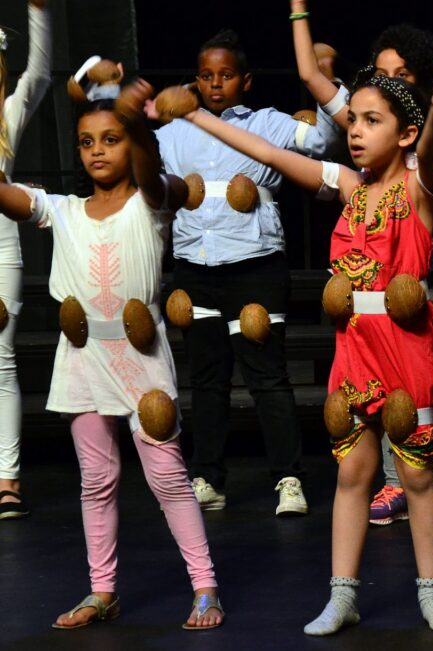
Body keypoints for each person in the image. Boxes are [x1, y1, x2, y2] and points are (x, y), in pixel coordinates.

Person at [176, 61, 433, 635]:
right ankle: (342, 596)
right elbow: (268, 152)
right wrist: (196, 116)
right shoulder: (351, 188)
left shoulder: (419, 188)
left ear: (405, 133)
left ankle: (432, 594)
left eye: (372, 121)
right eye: (352, 119)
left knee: (417, 478)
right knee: (353, 473)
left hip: (407, 350)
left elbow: (432, 149)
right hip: (355, 350)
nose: (355, 130)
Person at [0, 81, 223, 630]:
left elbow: (154, 178)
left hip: (140, 355)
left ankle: (205, 586)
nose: (97, 150)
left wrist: (136, 123)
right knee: (96, 481)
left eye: (111, 138)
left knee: (167, 477)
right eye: (86, 142)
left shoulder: (150, 202)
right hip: (81, 358)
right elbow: (9, 197)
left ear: (133, 141)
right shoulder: (64, 210)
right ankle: (103, 590)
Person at [288, 1, 433, 525]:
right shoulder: (367, 122)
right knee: (380, 380)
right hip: (372, 272)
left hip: (419, 269)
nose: (389, 80)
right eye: (381, 71)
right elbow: (310, 76)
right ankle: (395, 481)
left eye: (401, 73)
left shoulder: (425, 130)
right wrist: (299, 9)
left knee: (427, 378)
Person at [155, 28, 343, 515]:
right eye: (206, 75)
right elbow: (139, 159)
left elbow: (323, 140)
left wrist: (324, 80)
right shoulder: (174, 131)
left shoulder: (267, 123)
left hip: (256, 265)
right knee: (207, 380)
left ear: (246, 80)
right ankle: (208, 477)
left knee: (267, 377)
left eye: (226, 75)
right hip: (195, 264)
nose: (215, 84)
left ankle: (288, 478)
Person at [0, 0, 51, 522]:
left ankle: (7, 479)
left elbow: (38, 74)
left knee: (1, 359)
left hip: (0, 250)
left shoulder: (7, 117)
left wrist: (37, 11)